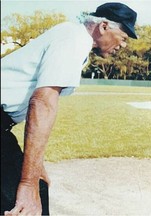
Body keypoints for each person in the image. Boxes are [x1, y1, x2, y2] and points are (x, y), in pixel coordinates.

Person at [1, 2, 137, 215]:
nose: (123, 45)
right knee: (24, 203)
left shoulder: (73, 38)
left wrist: (35, 166)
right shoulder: (74, 39)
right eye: (124, 37)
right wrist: (28, 183)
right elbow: (42, 103)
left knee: (38, 189)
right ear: (103, 26)